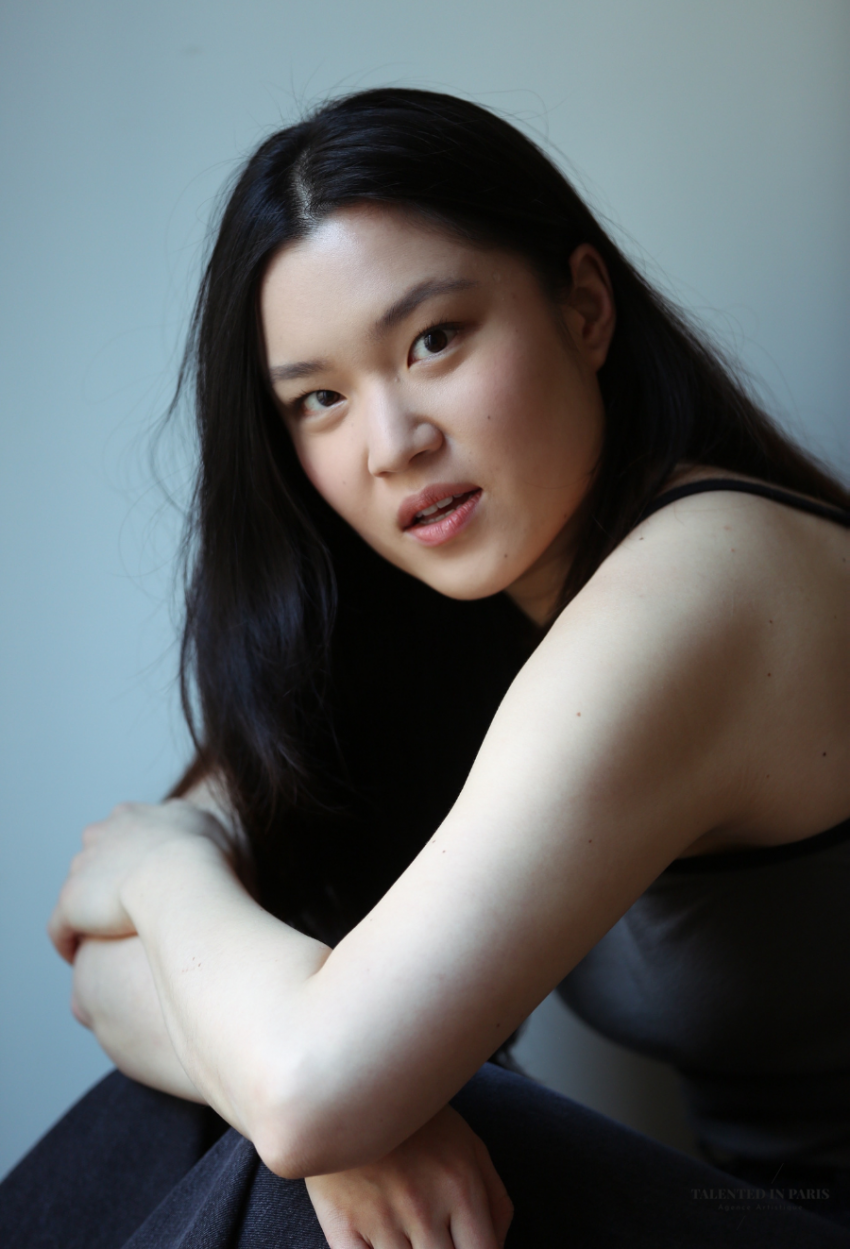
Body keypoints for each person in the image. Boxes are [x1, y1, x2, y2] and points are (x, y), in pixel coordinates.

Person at [1, 88, 848, 1248]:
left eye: (434, 340)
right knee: (285, 1120)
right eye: (320, 399)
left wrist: (162, 862)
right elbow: (108, 974)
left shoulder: (711, 577)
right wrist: (326, 1107)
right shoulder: (454, 614)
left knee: (305, 1142)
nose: (393, 443)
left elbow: (300, 1083)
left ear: (585, 307)